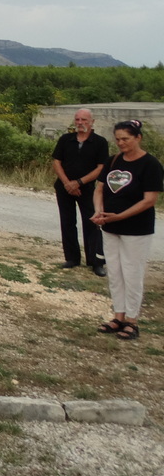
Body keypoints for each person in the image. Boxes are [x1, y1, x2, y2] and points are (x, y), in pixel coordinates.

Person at [92, 119, 162, 342]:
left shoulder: (150, 164)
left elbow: (149, 200)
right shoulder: (113, 160)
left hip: (136, 229)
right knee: (115, 272)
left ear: (138, 138)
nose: (121, 143)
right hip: (110, 226)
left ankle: (132, 321)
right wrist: (99, 212)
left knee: (132, 273)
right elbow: (100, 189)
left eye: (126, 139)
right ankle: (118, 316)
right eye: (118, 139)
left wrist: (121, 216)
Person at [52, 109, 108, 276]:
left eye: (84, 119)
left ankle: (95, 262)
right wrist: (67, 183)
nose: (80, 122)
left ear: (92, 122)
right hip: (64, 188)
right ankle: (72, 258)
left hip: (87, 189)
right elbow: (57, 161)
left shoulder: (100, 142)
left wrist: (79, 182)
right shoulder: (66, 139)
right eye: (77, 119)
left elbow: (101, 167)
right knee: (67, 222)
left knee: (92, 223)